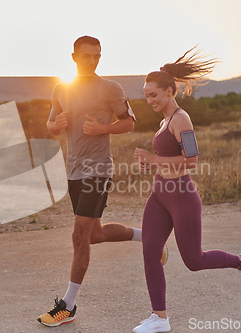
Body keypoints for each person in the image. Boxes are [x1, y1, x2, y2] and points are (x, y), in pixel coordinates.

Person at [37, 35, 167, 327]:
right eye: (87, 56)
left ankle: (67, 306)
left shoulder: (110, 88)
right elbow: (50, 124)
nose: (93, 60)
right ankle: (148, 236)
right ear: (74, 57)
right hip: (73, 171)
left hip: (97, 170)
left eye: (97, 55)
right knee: (94, 234)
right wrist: (54, 125)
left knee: (78, 235)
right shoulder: (61, 89)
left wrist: (102, 128)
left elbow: (129, 122)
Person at [132, 47, 241, 333]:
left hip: (182, 198)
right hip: (159, 195)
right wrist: (152, 165)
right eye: (146, 95)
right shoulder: (164, 122)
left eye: (153, 94)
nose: (149, 100)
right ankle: (160, 318)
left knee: (194, 260)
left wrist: (153, 158)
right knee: (150, 251)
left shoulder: (180, 119)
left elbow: (192, 161)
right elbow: (168, 161)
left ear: (169, 91)